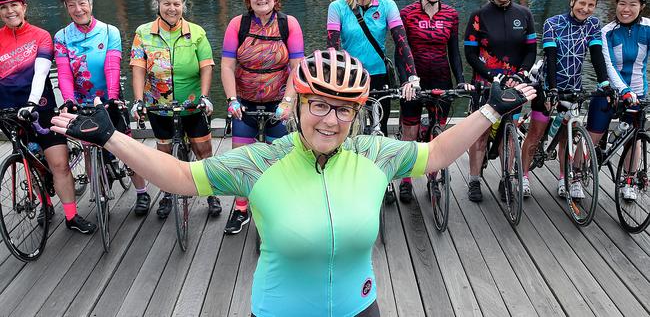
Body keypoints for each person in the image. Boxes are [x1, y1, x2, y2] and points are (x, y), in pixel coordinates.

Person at [51, 47, 535, 316]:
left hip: (360, 308)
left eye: (344, 109)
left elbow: (437, 154)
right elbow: (179, 177)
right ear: (299, 105)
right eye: (320, 105)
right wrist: (113, 138)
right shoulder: (259, 162)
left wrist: (490, 110)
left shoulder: (374, 153)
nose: (331, 120)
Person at [0, 0, 96, 234]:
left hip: (40, 109)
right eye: (4, 7)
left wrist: (31, 103)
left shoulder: (40, 36)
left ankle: (72, 216)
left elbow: (42, 73)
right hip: (8, 112)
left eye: (14, 5)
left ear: (24, 7)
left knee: (59, 165)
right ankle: (45, 203)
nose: (10, 11)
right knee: (30, 161)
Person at [53, 0, 150, 215]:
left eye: (82, 3)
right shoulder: (61, 37)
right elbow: (64, 73)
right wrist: (68, 100)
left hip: (109, 96)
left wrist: (113, 97)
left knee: (127, 147)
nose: (78, 9)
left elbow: (112, 67)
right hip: (80, 100)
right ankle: (98, 187)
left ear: (91, 3)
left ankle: (142, 192)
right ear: (66, 8)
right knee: (88, 148)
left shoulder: (109, 31)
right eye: (71, 5)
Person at [220, 0, 304, 234]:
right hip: (244, 102)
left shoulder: (288, 24)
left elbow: (297, 66)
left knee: (281, 158)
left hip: (278, 101)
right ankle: (242, 208)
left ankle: (279, 206)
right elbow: (226, 66)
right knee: (240, 157)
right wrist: (232, 99)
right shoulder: (238, 24)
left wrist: (289, 101)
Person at [129, 0, 221, 218]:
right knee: (164, 152)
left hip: (191, 104)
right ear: (157, 5)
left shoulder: (197, 32)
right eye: (166, 3)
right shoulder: (143, 33)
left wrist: (205, 96)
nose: (172, 8)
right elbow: (138, 68)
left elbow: (206, 67)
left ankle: (211, 193)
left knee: (203, 150)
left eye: (177, 4)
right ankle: (168, 193)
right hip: (158, 105)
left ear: (184, 6)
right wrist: (138, 100)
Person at [520, 0, 610, 199]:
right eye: (582, 3)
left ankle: (564, 178)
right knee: (536, 133)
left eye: (591, 5)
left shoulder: (592, 25)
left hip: (574, 88)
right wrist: (551, 89)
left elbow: (597, 56)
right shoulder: (553, 23)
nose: (586, 9)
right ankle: (522, 176)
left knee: (567, 138)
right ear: (572, 1)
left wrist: (605, 84)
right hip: (548, 85)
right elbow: (550, 58)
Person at [463, 0, 537, 202]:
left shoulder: (524, 14)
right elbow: (471, 54)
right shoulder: (479, 15)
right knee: (481, 134)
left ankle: (506, 179)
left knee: (510, 133)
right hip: (485, 83)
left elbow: (531, 51)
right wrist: (490, 75)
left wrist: (522, 73)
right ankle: (474, 180)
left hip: (514, 84)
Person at [327, 0, 420, 139]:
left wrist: (412, 76)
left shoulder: (387, 5)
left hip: (379, 76)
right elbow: (332, 48)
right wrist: (331, 78)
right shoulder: (337, 7)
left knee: (381, 129)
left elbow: (401, 42)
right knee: (349, 131)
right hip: (350, 76)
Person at [397, 0, 469, 202]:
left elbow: (454, 52)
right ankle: (406, 179)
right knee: (410, 131)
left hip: (441, 78)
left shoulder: (451, 14)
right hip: (414, 78)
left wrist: (460, 80)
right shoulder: (406, 13)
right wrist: (407, 80)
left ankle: (433, 177)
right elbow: (401, 51)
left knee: (437, 136)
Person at [586, 0, 650, 200]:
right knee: (594, 135)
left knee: (636, 138)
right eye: (622, 3)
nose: (626, 9)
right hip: (610, 93)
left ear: (642, 6)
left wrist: (634, 93)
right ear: (616, 5)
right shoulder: (606, 32)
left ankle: (629, 180)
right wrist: (623, 90)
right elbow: (609, 66)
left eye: (633, 4)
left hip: (639, 93)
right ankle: (576, 175)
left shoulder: (648, 28)